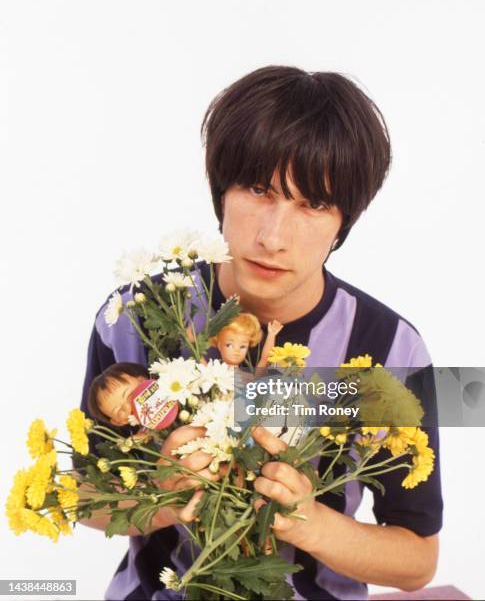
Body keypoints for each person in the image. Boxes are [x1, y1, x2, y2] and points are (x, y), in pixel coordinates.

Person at [78, 65, 443, 600]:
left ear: (344, 221)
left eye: (313, 204)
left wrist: (309, 523)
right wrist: (159, 494)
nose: (273, 237)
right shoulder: (136, 314)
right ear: (220, 190)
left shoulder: (390, 350)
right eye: (257, 189)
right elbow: (83, 495)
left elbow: (417, 561)